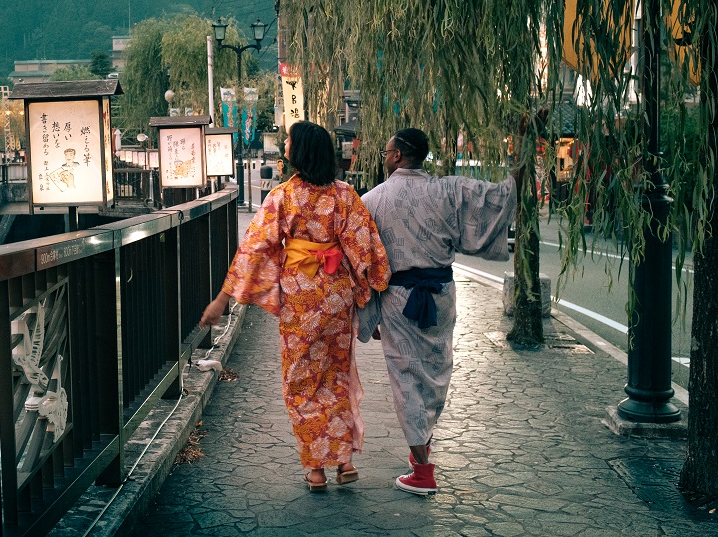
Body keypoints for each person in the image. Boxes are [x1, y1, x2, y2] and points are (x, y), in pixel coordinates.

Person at [201, 121, 391, 492]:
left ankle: (316, 470)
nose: (285, 143)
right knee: (335, 375)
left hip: (300, 299)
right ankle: (345, 462)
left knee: (301, 382)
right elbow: (364, 248)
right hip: (335, 297)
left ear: (300, 151)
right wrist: (371, 292)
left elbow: (254, 249)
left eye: (288, 140)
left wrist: (224, 298)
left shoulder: (282, 196)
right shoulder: (345, 195)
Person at [360, 127, 519, 496]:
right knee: (436, 369)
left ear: (398, 155)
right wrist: (524, 147)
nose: (384, 157)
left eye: (386, 151)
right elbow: (502, 194)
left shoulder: (372, 200)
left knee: (405, 379)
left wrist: (371, 310)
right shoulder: (449, 190)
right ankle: (422, 447)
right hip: (442, 294)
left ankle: (423, 471)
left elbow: (364, 261)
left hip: (399, 299)